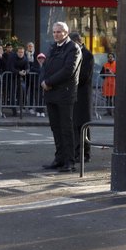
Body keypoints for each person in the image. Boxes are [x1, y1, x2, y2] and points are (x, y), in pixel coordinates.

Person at [39, 21, 81, 172]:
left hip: (65, 93)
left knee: (66, 128)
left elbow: (68, 70)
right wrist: (42, 81)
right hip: (51, 93)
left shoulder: (73, 48)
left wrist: (49, 82)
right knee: (55, 128)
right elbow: (45, 66)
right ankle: (59, 158)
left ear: (66, 33)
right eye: (54, 32)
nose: (56, 34)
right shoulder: (52, 47)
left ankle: (69, 161)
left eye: (59, 32)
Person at [70, 31, 94, 162]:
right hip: (75, 94)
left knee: (83, 124)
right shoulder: (75, 53)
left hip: (83, 95)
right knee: (75, 124)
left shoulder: (87, 55)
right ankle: (77, 151)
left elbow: (84, 76)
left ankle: (85, 153)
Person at [30, 52, 46, 116]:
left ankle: (42, 111)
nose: (41, 59)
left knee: (43, 98)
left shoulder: (46, 65)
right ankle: (38, 111)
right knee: (37, 98)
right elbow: (32, 69)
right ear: (37, 59)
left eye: (42, 58)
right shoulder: (35, 65)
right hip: (36, 84)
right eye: (39, 58)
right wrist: (39, 70)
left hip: (44, 84)